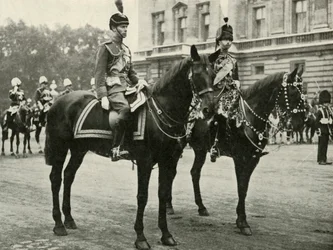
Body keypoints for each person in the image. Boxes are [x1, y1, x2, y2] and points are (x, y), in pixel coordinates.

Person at [94, 1, 148, 161]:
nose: (125, 30)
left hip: (127, 88)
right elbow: (99, 73)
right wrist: (102, 95)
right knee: (125, 109)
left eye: (126, 27)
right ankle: (116, 148)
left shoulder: (126, 49)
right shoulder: (105, 47)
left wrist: (139, 81)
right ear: (113, 28)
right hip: (113, 89)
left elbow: (130, 72)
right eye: (122, 27)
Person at [208, 17, 240, 161]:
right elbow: (208, 79)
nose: (228, 42)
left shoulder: (233, 61)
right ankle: (215, 145)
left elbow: (237, 78)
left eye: (230, 39)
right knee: (221, 113)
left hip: (231, 93)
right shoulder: (212, 59)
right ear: (219, 41)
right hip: (215, 94)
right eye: (225, 39)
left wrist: (237, 85)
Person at [316, 90, 333, 165]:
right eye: (326, 103)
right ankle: (320, 159)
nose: (327, 104)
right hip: (322, 130)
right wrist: (318, 128)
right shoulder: (320, 111)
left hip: (327, 130)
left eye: (328, 102)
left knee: (325, 145)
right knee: (321, 145)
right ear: (323, 103)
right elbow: (316, 121)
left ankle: (324, 159)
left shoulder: (328, 110)